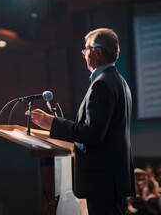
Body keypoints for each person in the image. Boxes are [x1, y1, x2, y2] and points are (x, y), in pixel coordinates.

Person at [31, 28, 135, 214]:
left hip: (103, 179)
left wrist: (53, 123)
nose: (83, 53)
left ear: (98, 52)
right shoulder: (119, 81)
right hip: (112, 178)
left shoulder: (102, 84)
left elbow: (93, 134)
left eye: (86, 48)